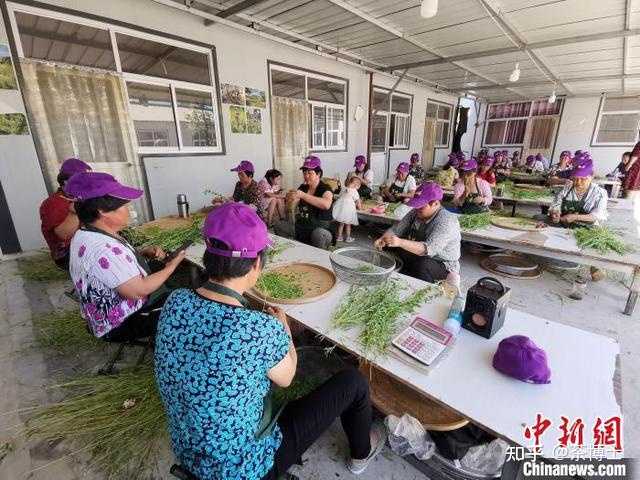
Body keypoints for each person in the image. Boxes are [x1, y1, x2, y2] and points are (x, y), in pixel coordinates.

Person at [154, 202, 385, 480]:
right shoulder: (257, 328)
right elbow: (286, 378)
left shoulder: (175, 302)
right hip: (244, 468)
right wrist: (284, 330)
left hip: (190, 451)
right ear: (256, 263)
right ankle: (362, 454)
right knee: (354, 382)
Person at [65, 172, 185, 340]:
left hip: (108, 312)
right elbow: (138, 291)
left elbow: (109, 265)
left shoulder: (87, 233)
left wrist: (141, 253)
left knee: (173, 281)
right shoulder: (102, 248)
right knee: (188, 305)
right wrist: (172, 266)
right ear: (103, 211)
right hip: (122, 321)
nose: (130, 211)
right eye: (125, 207)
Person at [374, 182, 460, 283]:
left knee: (422, 265)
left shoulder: (446, 221)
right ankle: (400, 276)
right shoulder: (416, 212)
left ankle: (425, 288)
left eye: (421, 206)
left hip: (441, 262)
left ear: (435, 203)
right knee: (387, 245)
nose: (417, 208)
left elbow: (428, 249)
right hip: (419, 255)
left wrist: (400, 242)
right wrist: (383, 239)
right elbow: (396, 230)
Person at [39, 158, 92, 269]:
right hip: (67, 253)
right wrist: (74, 211)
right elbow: (64, 235)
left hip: (85, 243)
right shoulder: (53, 203)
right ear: (66, 181)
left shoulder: (81, 197)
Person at [289, 156, 335, 249]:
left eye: (310, 173)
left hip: (321, 228)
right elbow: (292, 205)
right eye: (304, 172)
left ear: (318, 174)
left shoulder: (325, 189)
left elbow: (326, 205)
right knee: (279, 225)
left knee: (318, 234)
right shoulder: (303, 187)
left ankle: (319, 258)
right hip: (303, 226)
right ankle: (295, 250)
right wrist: (290, 200)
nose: (306, 176)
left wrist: (303, 196)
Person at [547, 159, 608, 227]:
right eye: (575, 179)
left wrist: (575, 217)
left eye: (583, 179)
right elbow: (556, 204)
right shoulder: (567, 188)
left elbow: (598, 215)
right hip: (564, 225)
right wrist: (555, 212)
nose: (578, 183)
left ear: (591, 177)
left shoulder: (599, 193)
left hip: (586, 228)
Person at [333, 176, 363, 243]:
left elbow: (339, 196)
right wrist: (360, 208)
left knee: (341, 224)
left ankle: (339, 237)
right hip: (349, 209)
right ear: (356, 185)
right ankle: (348, 237)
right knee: (348, 224)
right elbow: (358, 201)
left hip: (341, 208)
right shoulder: (355, 191)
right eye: (358, 186)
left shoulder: (344, 188)